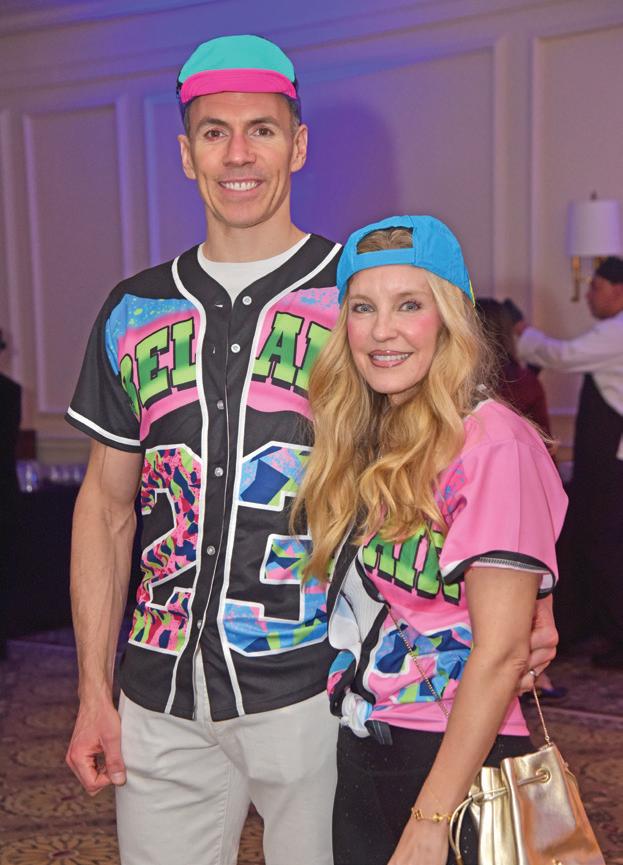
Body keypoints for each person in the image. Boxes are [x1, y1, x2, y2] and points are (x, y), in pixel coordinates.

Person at [64, 34, 560, 865]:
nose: (238, 154)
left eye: (261, 129)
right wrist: (91, 690)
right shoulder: (133, 310)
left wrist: (527, 598)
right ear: (186, 154)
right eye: (214, 132)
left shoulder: (362, 293)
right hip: (156, 694)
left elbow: (458, 449)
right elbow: (106, 506)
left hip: (315, 689)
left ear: (297, 144)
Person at [292, 215, 568, 865]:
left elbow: (501, 653)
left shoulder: (492, 442)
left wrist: (431, 816)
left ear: (449, 319)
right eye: (363, 307)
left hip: (456, 759)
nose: (381, 329)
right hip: (365, 743)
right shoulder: (368, 437)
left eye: (409, 305)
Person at [516, 257, 623, 669]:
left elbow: (563, 355)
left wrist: (523, 334)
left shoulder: (616, 331)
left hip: (612, 463)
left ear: (618, 290)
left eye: (596, 287)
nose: (589, 296)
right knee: (595, 543)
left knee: (606, 545)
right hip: (603, 461)